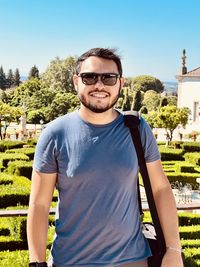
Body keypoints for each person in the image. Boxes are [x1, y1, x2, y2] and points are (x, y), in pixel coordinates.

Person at [27, 48, 184, 267]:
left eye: (108, 78)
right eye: (89, 77)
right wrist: (37, 263)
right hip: (70, 262)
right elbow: (39, 205)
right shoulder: (54, 134)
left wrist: (174, 250)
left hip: (133, 260)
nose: (99, 85)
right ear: (75, 81)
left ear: (120, 83)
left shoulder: (137, 128)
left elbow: (161, 190)